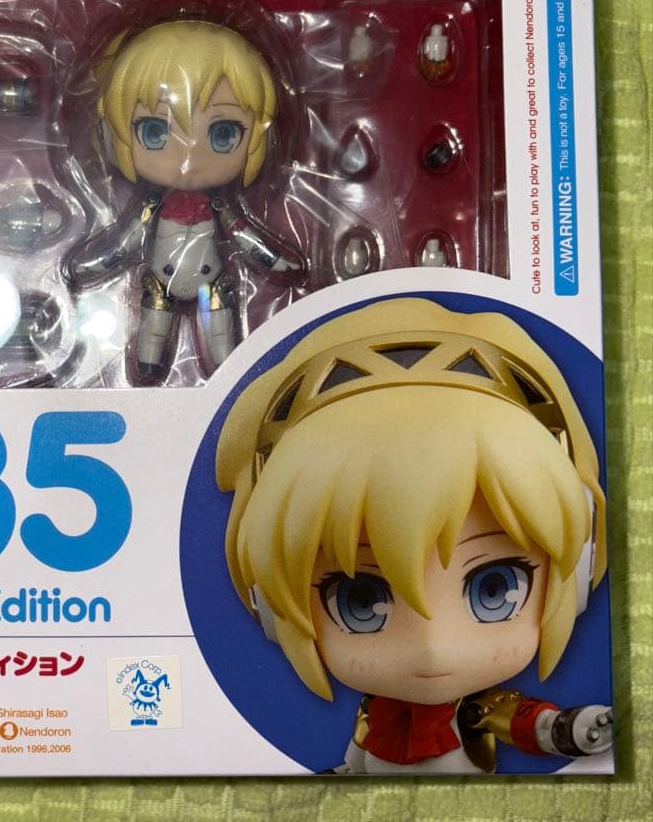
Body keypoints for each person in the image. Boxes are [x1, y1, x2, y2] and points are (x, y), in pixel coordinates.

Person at [217, 298, 612, 773]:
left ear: (581, 561)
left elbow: (526, 722)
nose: (432, 647)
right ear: (267, 601)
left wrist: (569, 728)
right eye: (361, 601)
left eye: (495, 589)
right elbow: (358, 758)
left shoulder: (476, 711)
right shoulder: (375, 716)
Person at [66, 19, 300, 380]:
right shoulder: (151, 208)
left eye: (223, 134)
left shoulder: (220, 207)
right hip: (161, 280)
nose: (189, 156)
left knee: (222, 342)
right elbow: (126, 242)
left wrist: (276, 261)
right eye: (155, 131)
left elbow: (245, 238)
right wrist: (94, 266)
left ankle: (227, 373)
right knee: (152, 337)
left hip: (213, 280)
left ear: (262, 141)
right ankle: (150, 369)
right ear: (112, 136)